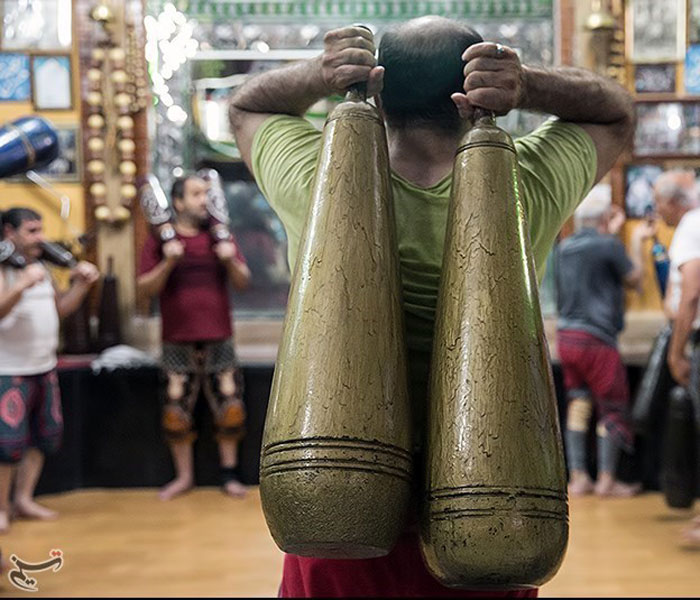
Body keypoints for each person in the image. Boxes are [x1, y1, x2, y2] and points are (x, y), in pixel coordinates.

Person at [230, 16, 635, 597]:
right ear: (468, 92)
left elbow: (246, 109)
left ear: (380, 89)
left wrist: (322, 74)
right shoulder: (528, 178)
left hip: (339, 505)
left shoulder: (313, 175)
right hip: (490, 501)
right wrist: (529, 85)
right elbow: (617, 111)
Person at [137, 174, 252, 501]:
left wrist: (229, 260)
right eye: (197, 193)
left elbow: (244, 283)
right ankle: (184, 477)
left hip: (220, 337)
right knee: (176, 414)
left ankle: (230, 475)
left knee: (230, 408)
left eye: (207, 193)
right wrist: (169, 261)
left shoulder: (221, 236)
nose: (205, 199)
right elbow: (144, 290)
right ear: (178, 202)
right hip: (177, 339)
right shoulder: (159, 240)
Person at [0, 207, 99, 533]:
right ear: (9, 233)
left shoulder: (41, 266)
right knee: (7, 446)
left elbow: (59, 309)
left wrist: (82, 286)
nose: (39, 237)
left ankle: (23, 499)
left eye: (40, 230)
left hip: (44, 366)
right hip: (9, 370)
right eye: (31, 231)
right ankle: (1, 509)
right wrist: (20, 286)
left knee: (42, 438)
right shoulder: (5, 270)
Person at [555, 184, 654, 498]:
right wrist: (636, 241)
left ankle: (579, 477)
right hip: (597, 339)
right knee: (611, 407)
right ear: (604, 218)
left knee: (579, 403)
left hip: (567, 337)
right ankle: (608, 480)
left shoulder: (564, 247)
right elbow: (635, 280)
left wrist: (609, 233)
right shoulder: (608, 245)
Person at [653, 169, 700, 546]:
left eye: (657, 203)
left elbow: (691, 291)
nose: (655, 210)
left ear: (674, 202)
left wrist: (677, 350)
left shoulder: (690, 224)